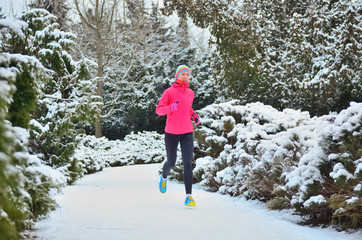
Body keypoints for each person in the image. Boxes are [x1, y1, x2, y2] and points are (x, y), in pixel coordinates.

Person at [155, 65, 201, 207]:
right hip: (171, 133)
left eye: (188, 74)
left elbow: (186, 108)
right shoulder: (169, 92)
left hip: (187, 131)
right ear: (177, 76)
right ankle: (164, 177)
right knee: (172, 162)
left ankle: (189, 197)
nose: (186, 77)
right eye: (183, 74)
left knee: (188, 163)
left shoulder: (190, 93)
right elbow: (159, 110)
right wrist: (170, 108)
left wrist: (194, 115)